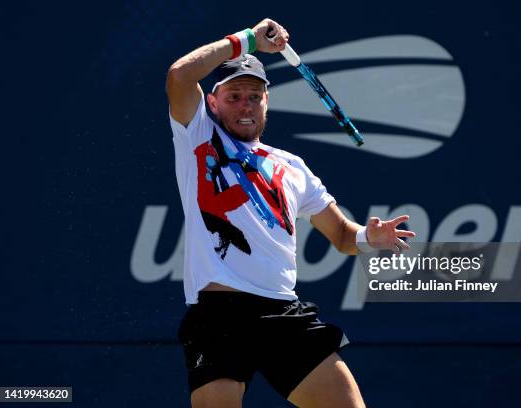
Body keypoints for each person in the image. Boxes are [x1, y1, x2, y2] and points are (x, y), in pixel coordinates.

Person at [166, 18, 416, 408]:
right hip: (218, 317)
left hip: (283, 313)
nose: (245, 106)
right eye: (234, 97)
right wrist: (248, 39)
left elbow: (343, 236)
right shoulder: (197, 134)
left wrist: (371, 238)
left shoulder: (293, 167)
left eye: (254, 96)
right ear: (212, 102)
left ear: (267, 101)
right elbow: (180, 76)